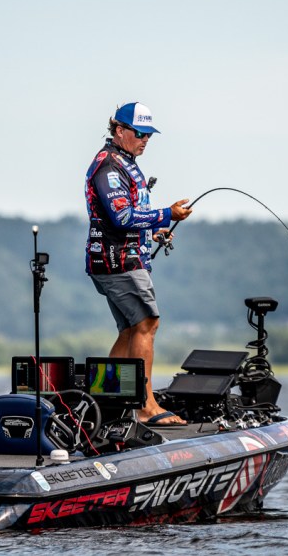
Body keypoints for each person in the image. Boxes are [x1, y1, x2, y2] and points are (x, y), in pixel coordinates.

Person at [85, 102, 191, 425]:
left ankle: (105, 403)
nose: (145, 140)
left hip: (121, 259)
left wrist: (153, 231)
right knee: (148, 323)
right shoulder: (109, 166)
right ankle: (146, 408)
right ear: (119, 131)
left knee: (132, 329)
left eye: (149, 135)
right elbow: (121, 217)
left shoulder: (125, 163)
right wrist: (166, 214)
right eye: (140, 133)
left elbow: (129, 218)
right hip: (119, 262)